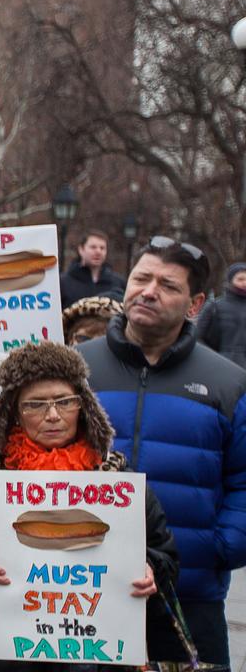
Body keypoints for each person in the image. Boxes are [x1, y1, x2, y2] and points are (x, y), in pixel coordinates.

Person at [0, 342, 178, 671]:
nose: (53, 415)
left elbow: (165, 555)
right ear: (13, 412)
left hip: (98, 659)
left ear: (84, 407)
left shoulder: (117, 481)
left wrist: (150, 573)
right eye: (36, 405)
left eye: (64, 401)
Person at [78, 236, 246, 665]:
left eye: (168, 285)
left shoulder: (228, 384)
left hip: (189, 596)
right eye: (141, 278)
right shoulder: (76, 368)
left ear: (195, 304)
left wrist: (215, 549)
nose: (149, 291)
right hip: (85, 591)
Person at [195, 261, 246, 368]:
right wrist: (213, 358)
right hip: (222, 366)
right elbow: (198, 337)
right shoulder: (215, 307)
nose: (244, 283)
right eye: (240, 279)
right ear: (231, 280)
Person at [59, 230, 126, 308]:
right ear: (81, 249)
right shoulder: (63, 282)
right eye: (93, 247)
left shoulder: (118, 283)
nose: (98, 251)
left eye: (102, 248)